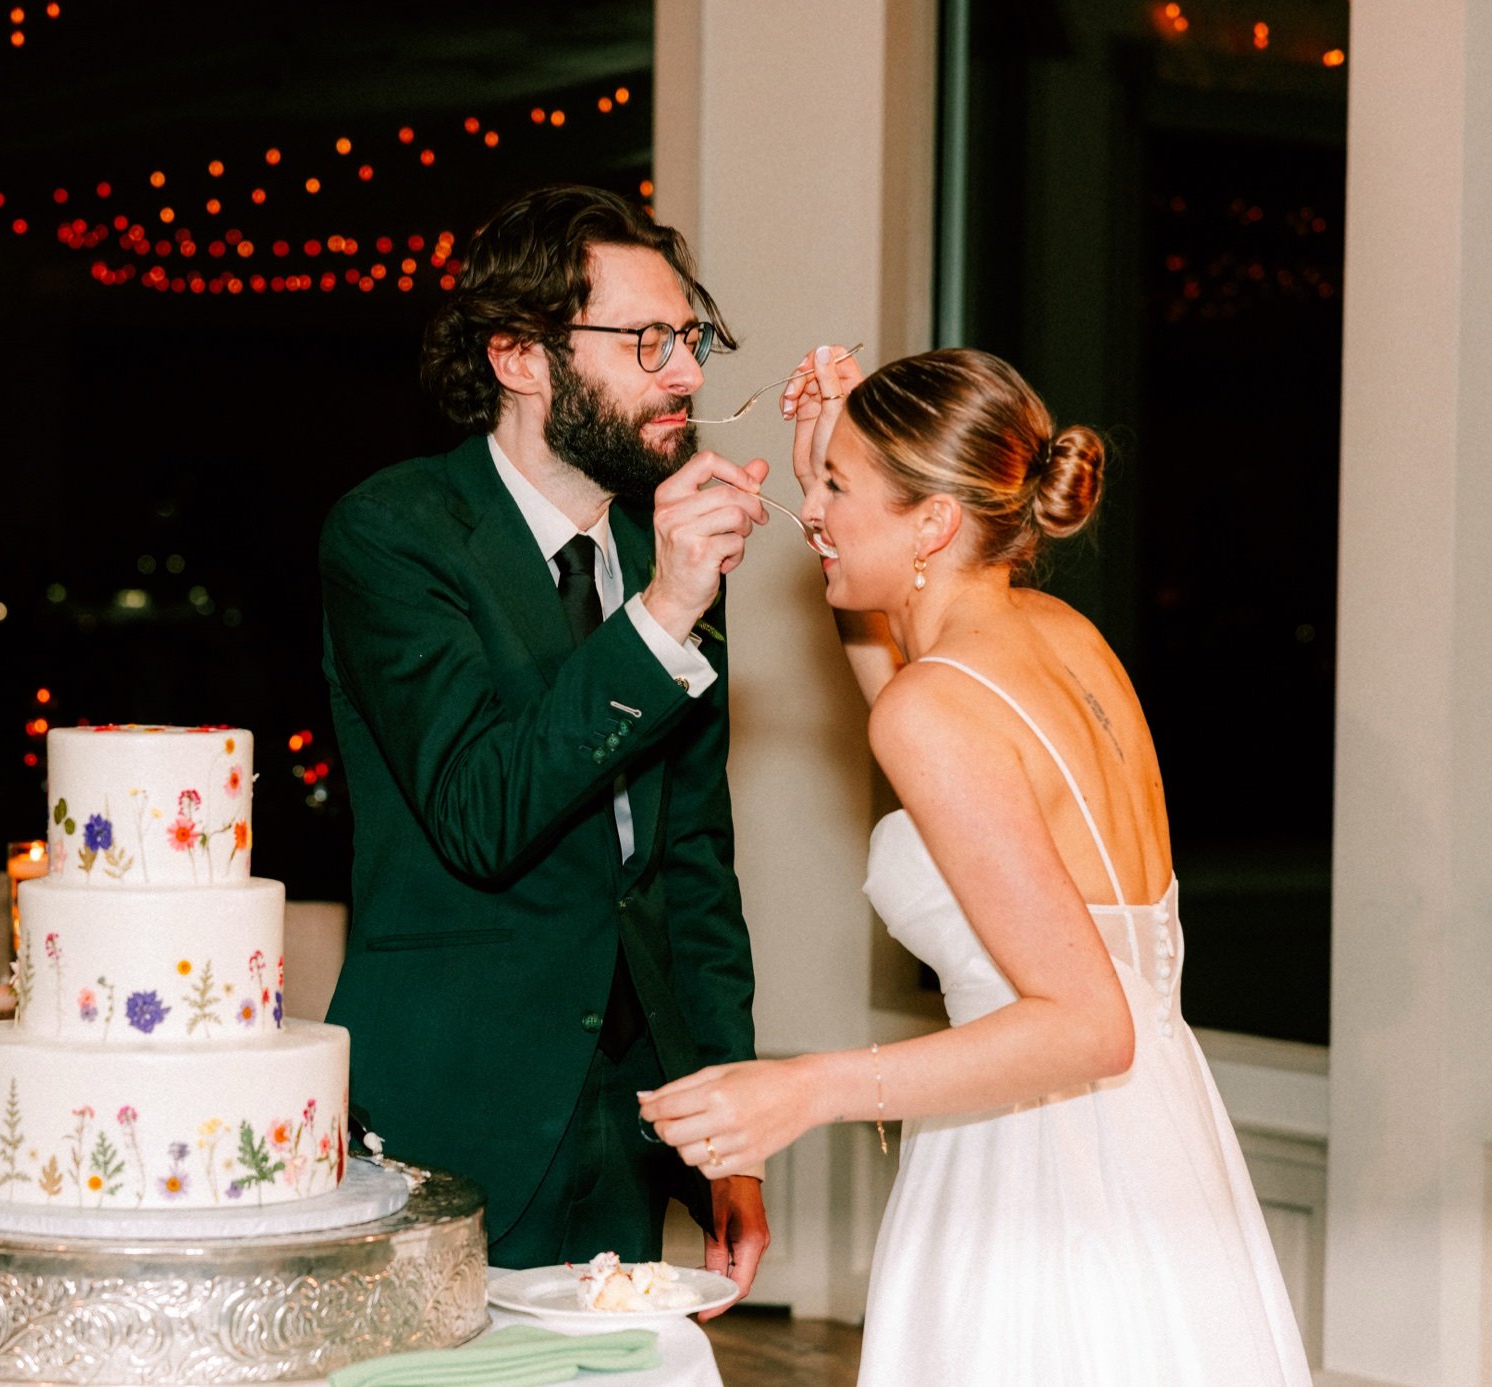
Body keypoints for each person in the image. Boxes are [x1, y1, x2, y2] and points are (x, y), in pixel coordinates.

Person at [640, 345, 1312, 1383]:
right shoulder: (1057, 635)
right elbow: (899, 663)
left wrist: (807, 1089)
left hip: (1039, 1173)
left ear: (934, 520)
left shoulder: (935, 706)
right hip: (1159, 1145)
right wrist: (830, 446)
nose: (805, 509)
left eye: (834, 486)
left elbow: (1090, 1025)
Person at [318, 184, 772, 1294]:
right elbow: (480, 813)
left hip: (629, 1119)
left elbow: (692, 874)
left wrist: (728, 1131)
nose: (688, 374)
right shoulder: (395, 533)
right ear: (521, 356)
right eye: (650, 340)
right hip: (450, 1105)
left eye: (692, 338)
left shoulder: (661, 554)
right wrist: (660, 614)